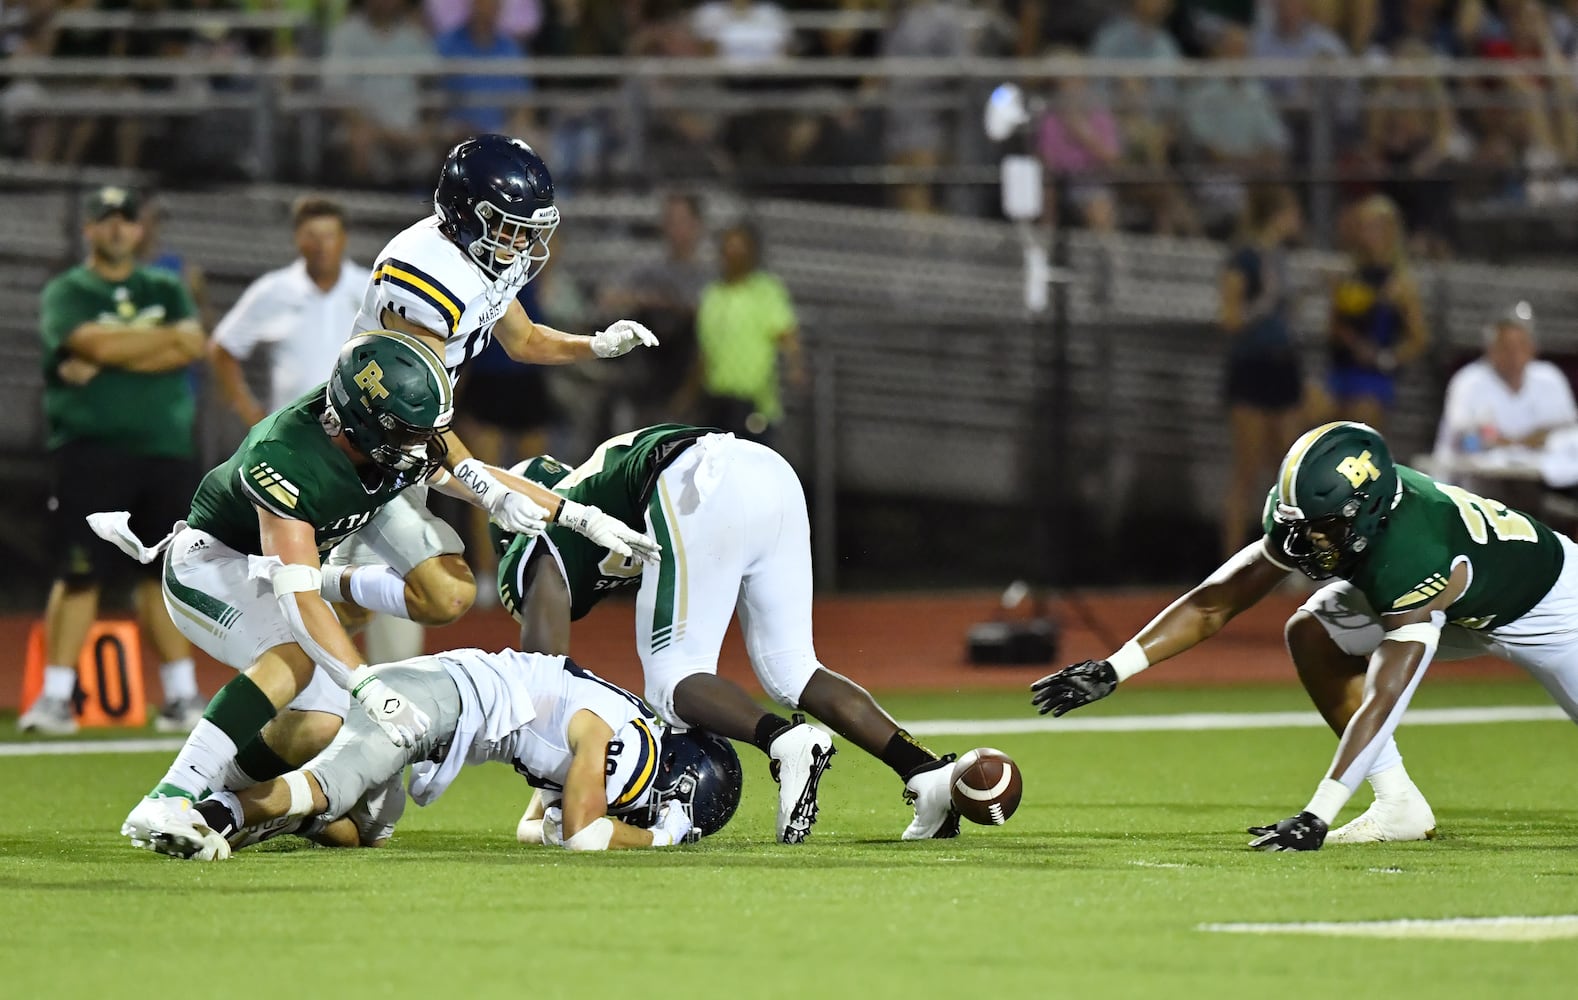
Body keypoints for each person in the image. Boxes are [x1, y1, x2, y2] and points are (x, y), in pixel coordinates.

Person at [1031, 420, 1578, 851]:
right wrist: (1114, 667)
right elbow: (1219, 598)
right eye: (1300, 524)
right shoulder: (1323, 519)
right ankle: (1398, 805)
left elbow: (1387, 697)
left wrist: (1318, 813)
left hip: (1553, 609)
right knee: (1314, 632)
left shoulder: (1414, 554)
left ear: (1366, 515)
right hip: (1463, 601)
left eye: (1323, 528)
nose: (1307, 541)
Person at [493, 425, 986, 844]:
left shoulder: (530, 545)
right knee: (793, 667)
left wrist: (557, 793)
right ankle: (924, 771)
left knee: (672, 680)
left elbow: (544, 682)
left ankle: (784, 741)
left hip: (698, 482)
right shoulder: (591, 484)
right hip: (767, 469)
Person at [332, 133, 663, 666]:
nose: (522, 242)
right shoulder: (424, 275)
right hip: (368, 444)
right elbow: (418, 425)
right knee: (431, 590)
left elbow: (524, 339)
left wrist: (597, 345)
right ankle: (291, 597)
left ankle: (306, 615)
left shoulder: (481, 255)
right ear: (468, 214)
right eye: (511, 226)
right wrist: (502, 494)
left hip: (406, 443)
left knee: (404, 597)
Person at [176, 649, 723, 859]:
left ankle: (275, 806)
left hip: (438, 704)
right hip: (439, 698)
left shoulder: (617, 725)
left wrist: (569, 824)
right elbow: (583, 836)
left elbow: (538, 830)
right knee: (334, 785)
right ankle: (215, 811)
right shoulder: (626, 737)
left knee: (368, 830)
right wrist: (660, 837)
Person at [25, 185, 208, 736]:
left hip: (165, 451)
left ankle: (181, 696)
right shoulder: (69, 290)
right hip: (90, 450)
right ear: (89, 229)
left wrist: (108, 351)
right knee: (80, 573)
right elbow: (97, 344)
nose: (117, 230)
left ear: (138, 228)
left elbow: (191, 345)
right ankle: (55, 700)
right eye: (106, 221)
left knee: (164, 575)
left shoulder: (165, 286)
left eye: (125, 220)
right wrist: (155, 343)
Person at [209, 196, 368, 426]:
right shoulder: (274, 290)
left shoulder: (369, 289)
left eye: (329, 236)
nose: (321, 246)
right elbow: (223, 349)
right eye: (312, 236)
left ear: (344, 239)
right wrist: (249, 412)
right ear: (298, 239)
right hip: (292, 436)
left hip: (355, 435)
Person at [1220, 185, 1304, 560]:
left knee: (1287, 472)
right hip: (1252, 367)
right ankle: (1228, 565)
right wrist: (1264, 303)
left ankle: (1287, 560)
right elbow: (1231, 318)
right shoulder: (1244, 258)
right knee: (1247, 471)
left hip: (1283, 365)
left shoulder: (1280, 256)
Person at [1320, 195, 1429, 431]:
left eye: (1375, 227)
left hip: (1371, 379)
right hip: (1339, 370)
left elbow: (1419, 338)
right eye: (1364, 226)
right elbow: (1334, 326)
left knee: (1357, 449)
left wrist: (1386, 358)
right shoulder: (1350, 275)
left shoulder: (1399, 283)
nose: (1367, 234)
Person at [691, 223, 805, 446]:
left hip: (754, 402)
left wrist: (795, 366)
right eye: (728, 248)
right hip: (717, 401)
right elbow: (705, 350)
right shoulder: (712, 295)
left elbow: (786, 332)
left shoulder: (766, 291)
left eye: (739, 248)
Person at [1433, 302, 1578, 467]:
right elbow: (1466, 437)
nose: (1514, 356)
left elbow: (1568, 431)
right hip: (1471, 481)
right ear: (1491, 350)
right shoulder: (1468, 381)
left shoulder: (1549, 378)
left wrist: (1531, 440)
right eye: (1506, 348)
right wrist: (1515, 443)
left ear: (1532, 348)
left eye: (1520, 346)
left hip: (1537, 480)